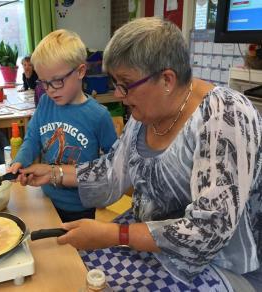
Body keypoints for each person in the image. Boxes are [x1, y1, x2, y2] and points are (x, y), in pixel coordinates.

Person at [17, 18, 262, 291]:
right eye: (115, 83)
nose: (119, 95)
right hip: (147, 245)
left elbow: (208, 231)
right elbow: (111, 170)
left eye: (126, 84)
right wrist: (54, 173)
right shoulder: (144, 115)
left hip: (219, 266)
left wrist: (115, 234)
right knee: (69, 270)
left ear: (167, 79)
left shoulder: (226, 115)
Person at [8, 29, 117, 223]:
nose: (50, 90)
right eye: (44, 83)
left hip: (80, 207)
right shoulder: (45, 103)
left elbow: (113, 163)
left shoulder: (98, 115)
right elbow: (32, 139)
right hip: (46, 198)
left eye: (57, 81)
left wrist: (103, 190)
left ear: (81, 71)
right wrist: (20, 160)